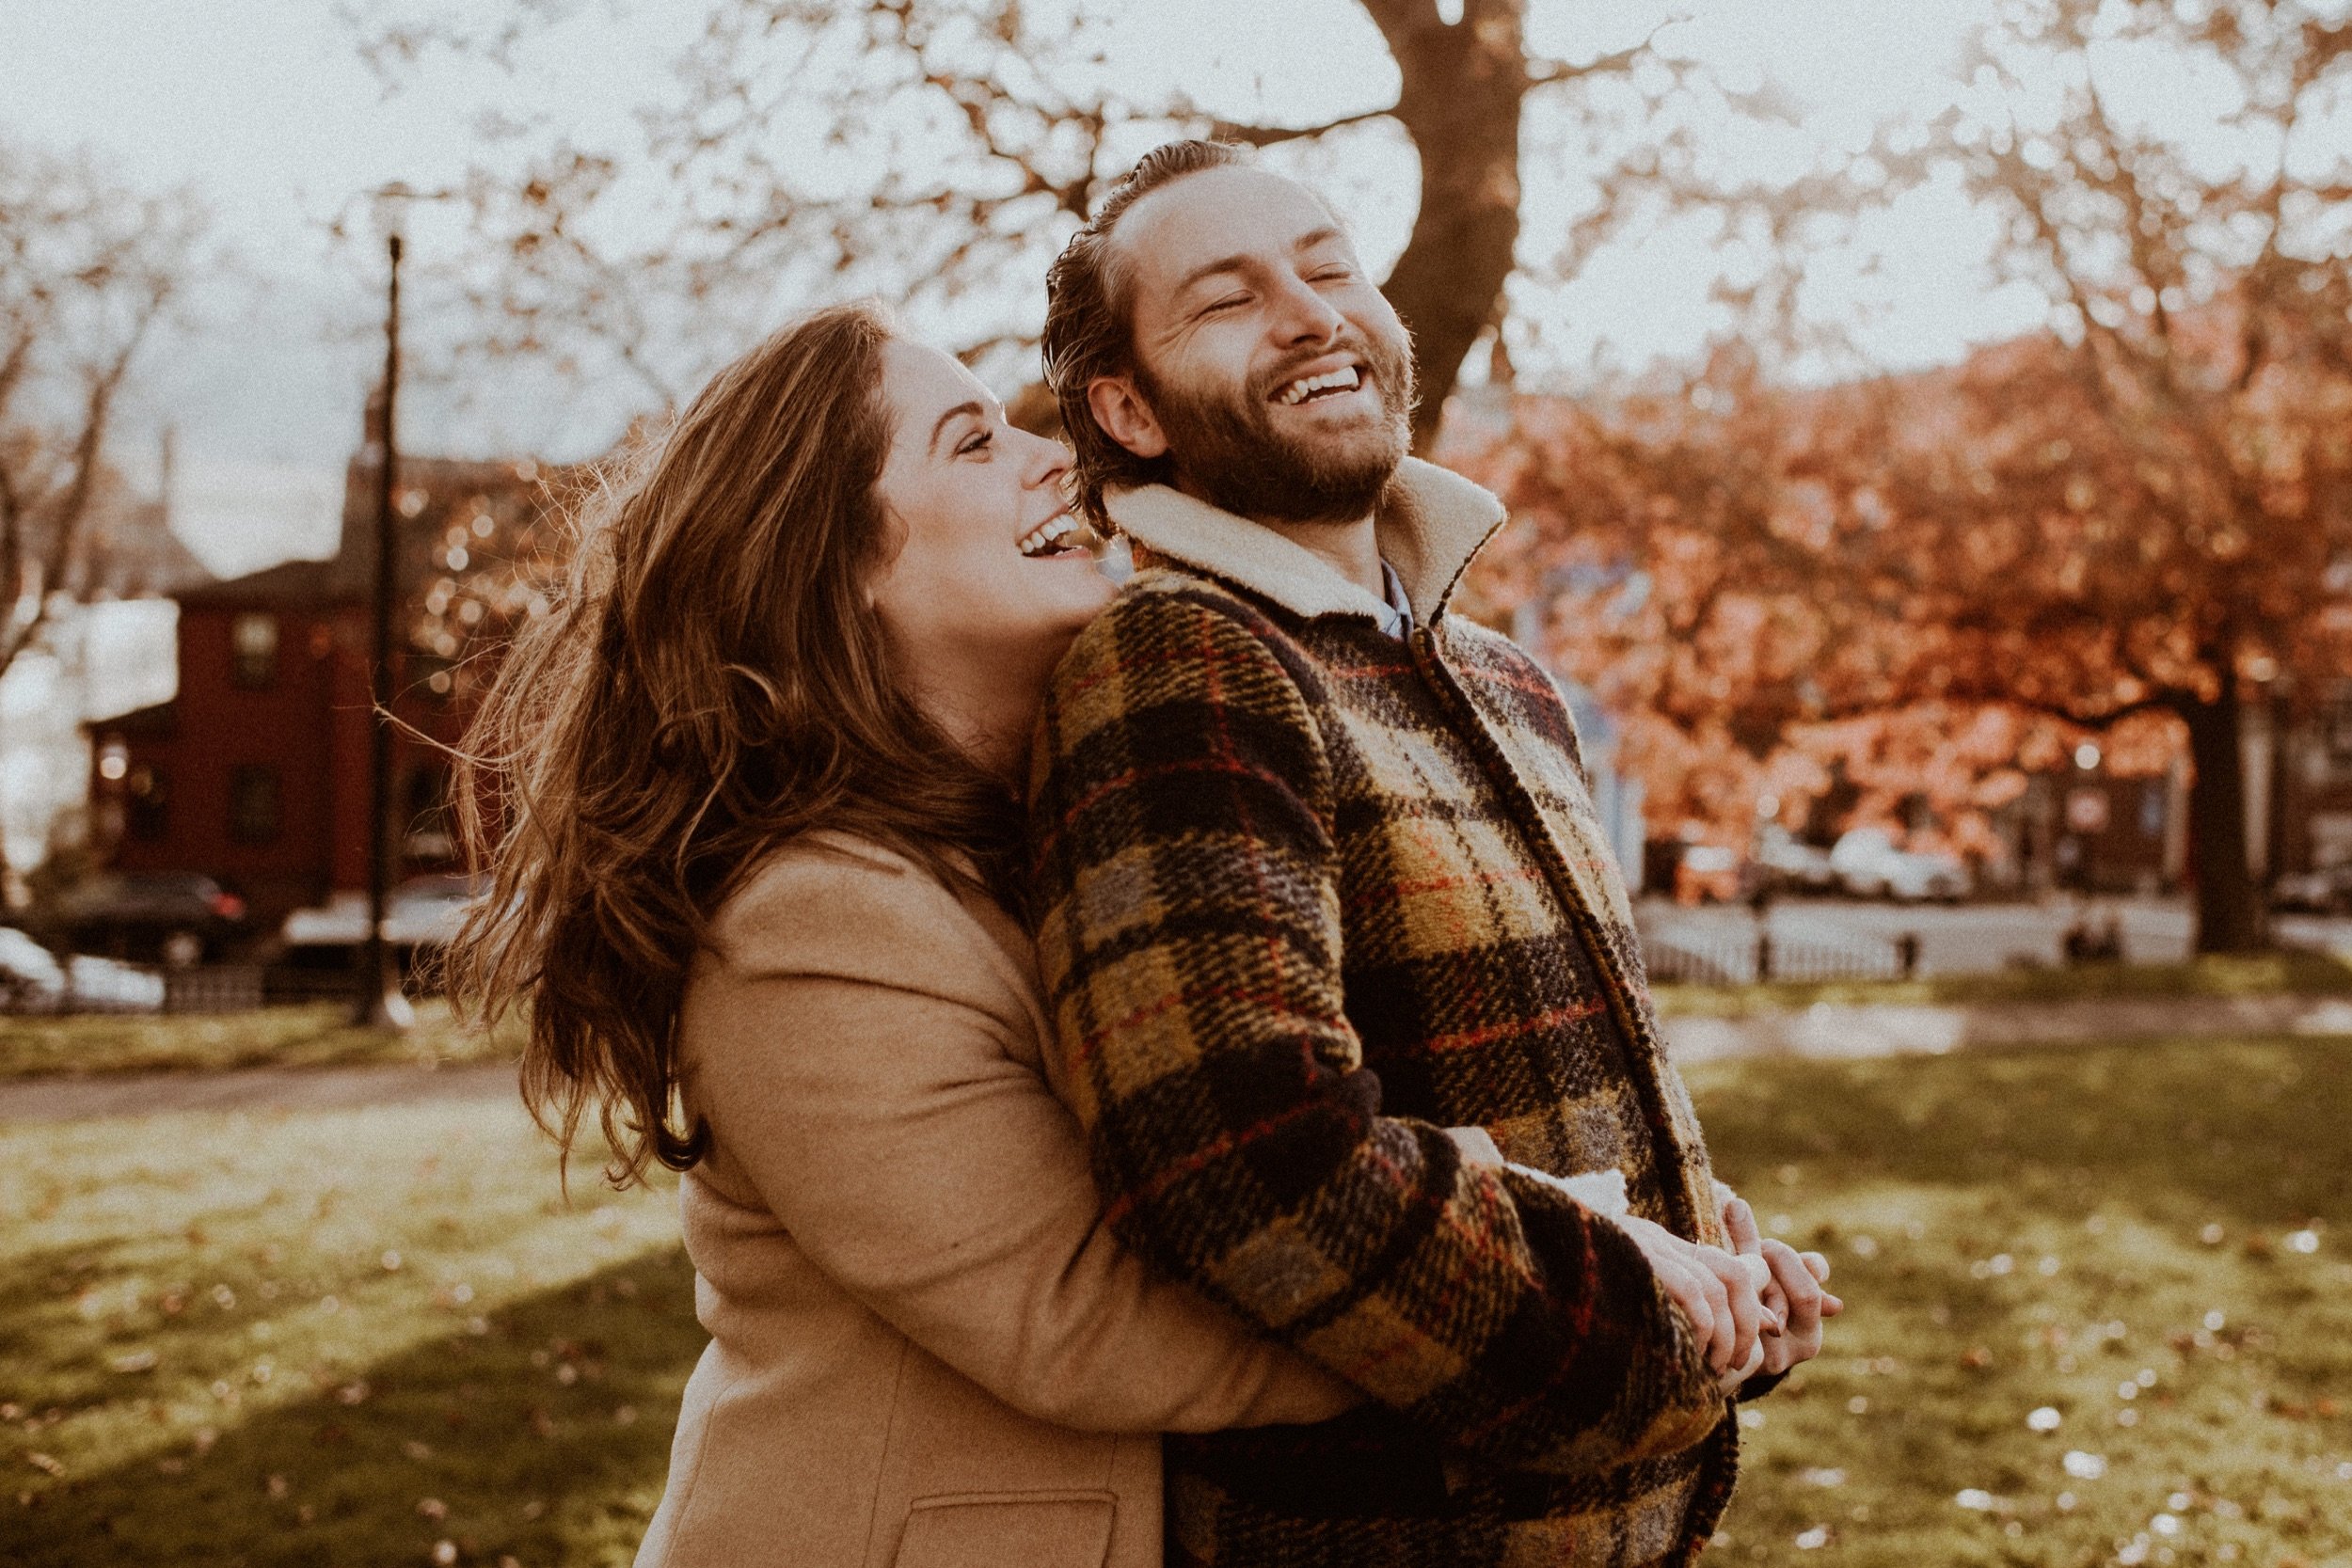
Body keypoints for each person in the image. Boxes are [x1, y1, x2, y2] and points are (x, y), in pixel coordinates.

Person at [444, 301, 1362, 1568]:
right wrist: (1521, 1320)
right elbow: (1081, 1319)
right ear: (842, 567)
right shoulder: (810, 923)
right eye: (973, 444)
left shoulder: (1059, 839)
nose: (1057, 458)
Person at [1027, 139, 1840, 1567]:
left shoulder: (1505, 679)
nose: (1309, 312)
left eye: (1331, 268)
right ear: (1129, 412)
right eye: (1227, 301)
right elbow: (1240, 1159)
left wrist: (1713, 1261)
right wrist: (1653, 1340)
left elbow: (1530, 1110)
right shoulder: (1183, 658)